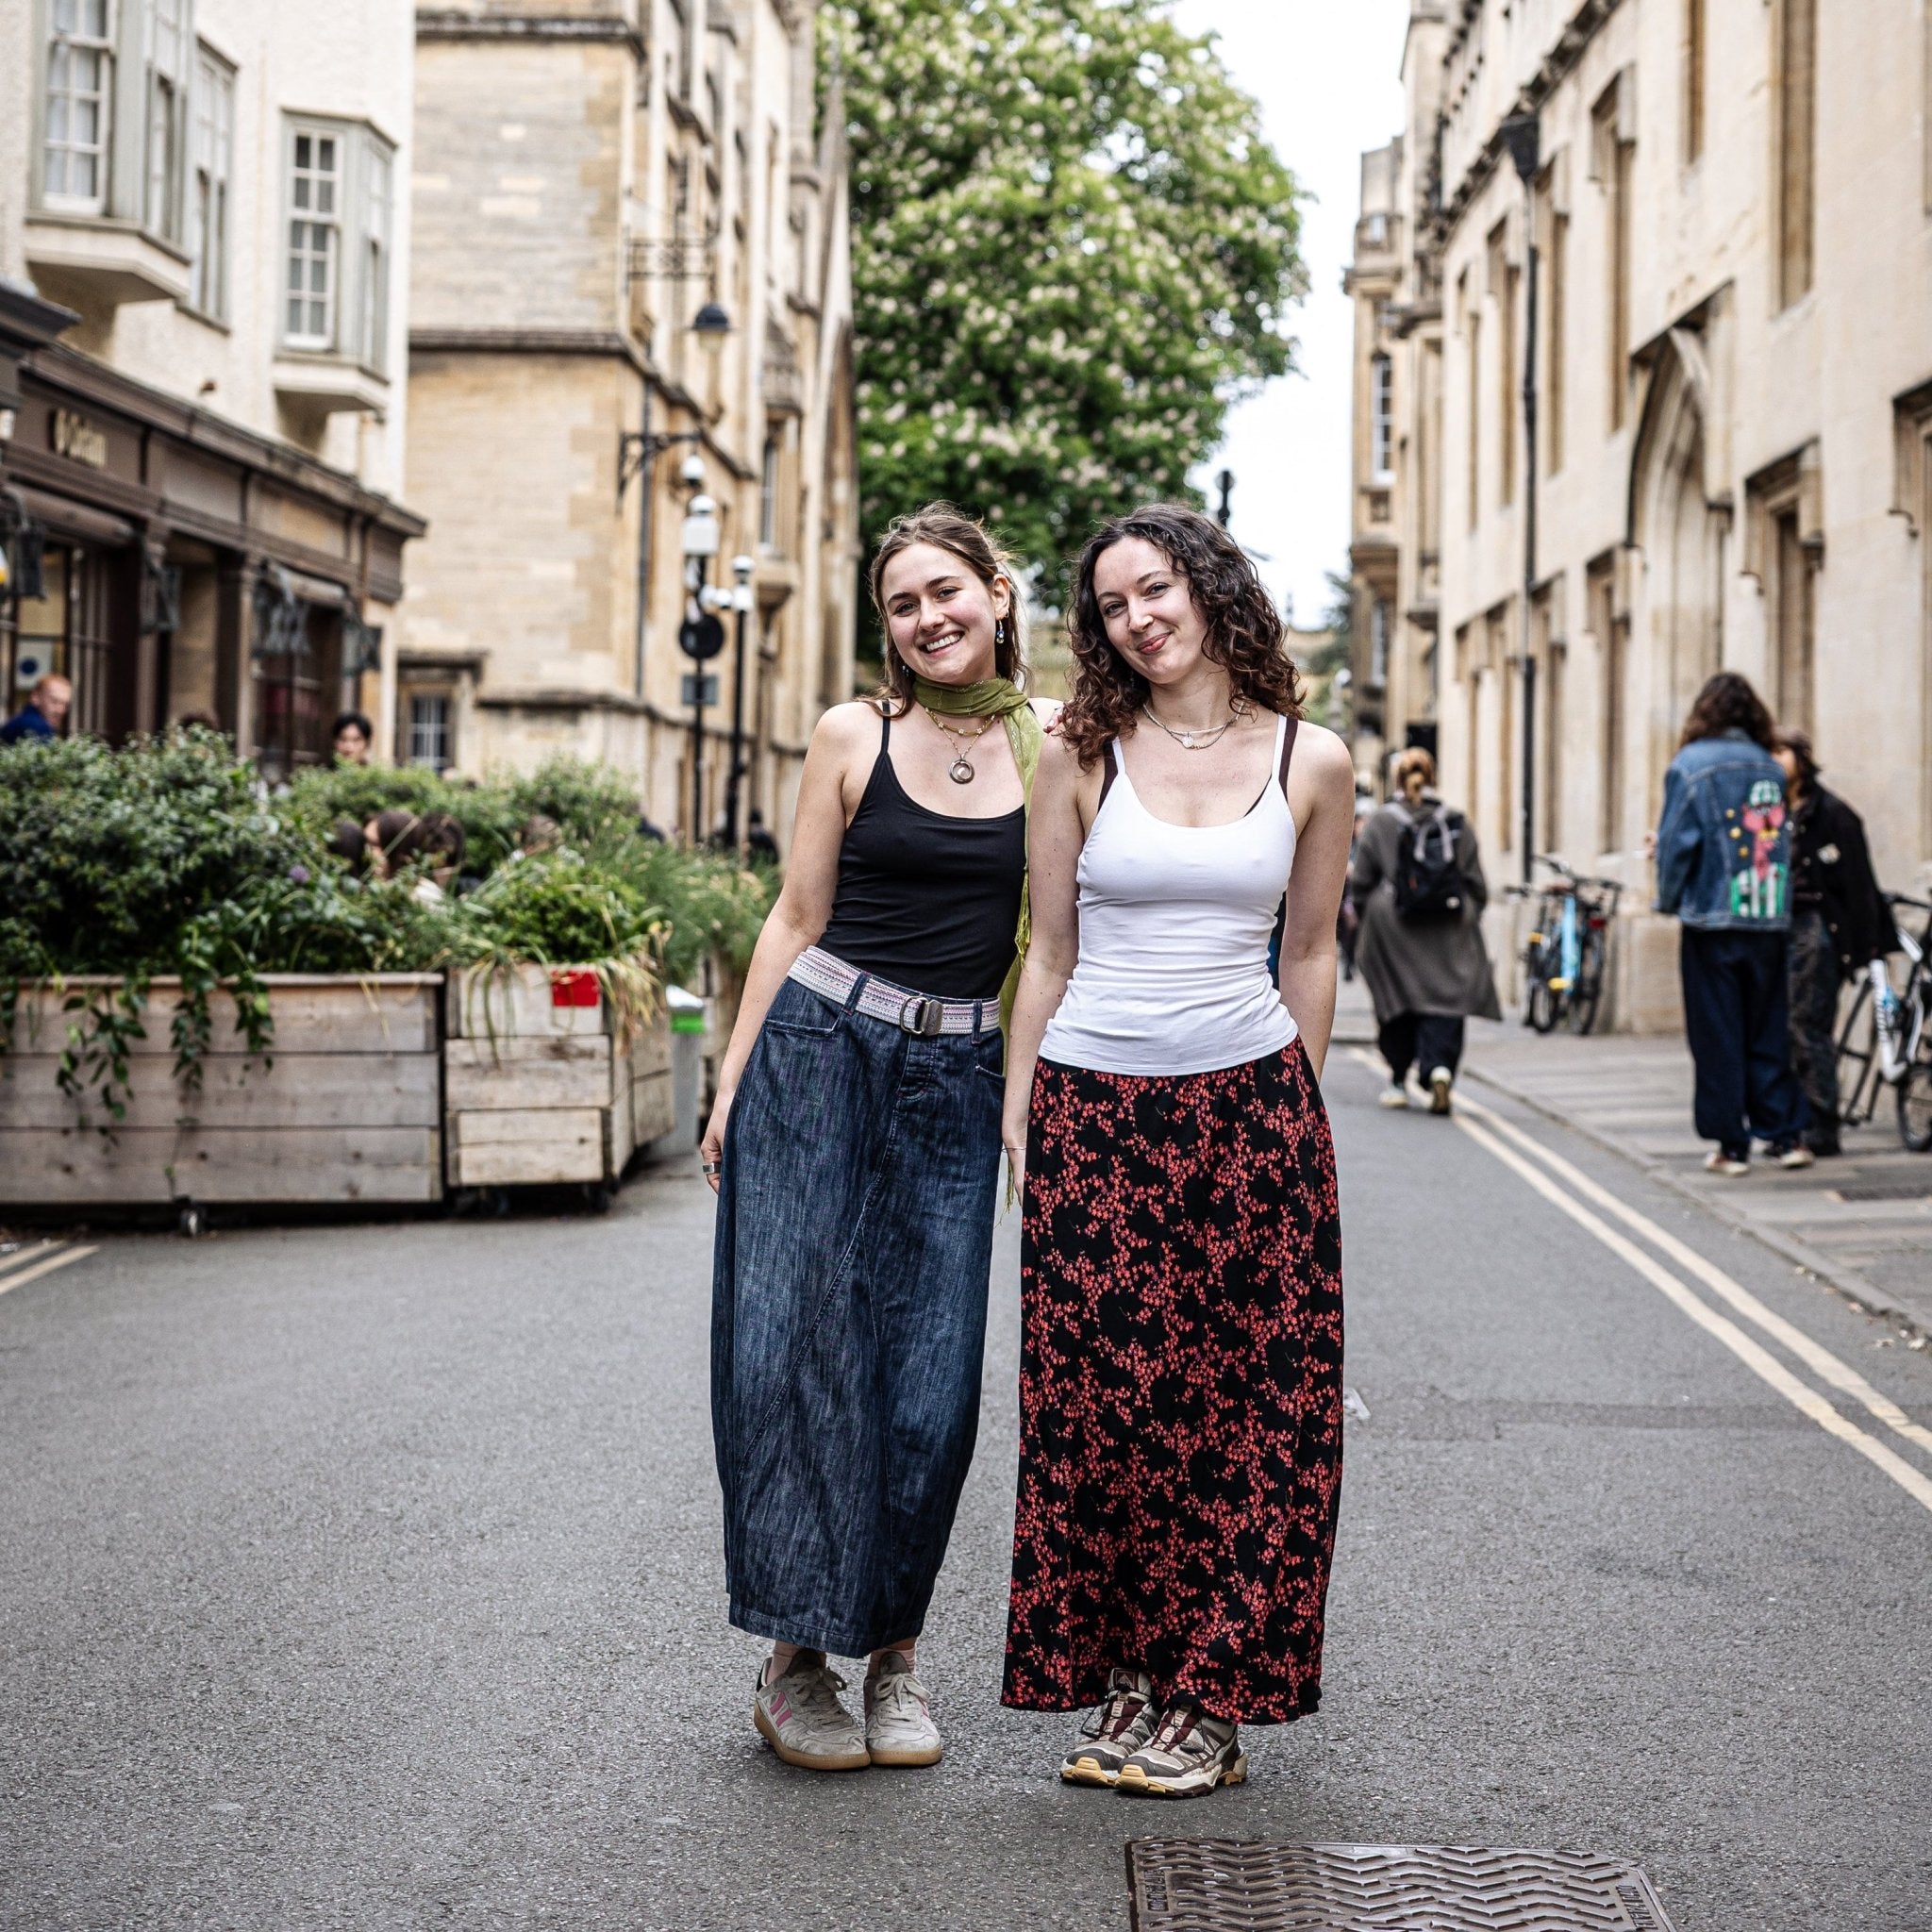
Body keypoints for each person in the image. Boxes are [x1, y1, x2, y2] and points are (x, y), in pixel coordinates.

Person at [1000, 504, 1355, 1799]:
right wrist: (1020, 1113)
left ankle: (1213, 1695)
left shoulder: (1313, 759)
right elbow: (1048, 950)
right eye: (1112, 605)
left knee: (1254, 1413)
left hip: (1250, 1112)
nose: (1138, 619)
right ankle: (1130, 1672)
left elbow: (1308, 951)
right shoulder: (1078, 752)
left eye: (1155, 589)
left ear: (1208, 588)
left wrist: (1293, 1113)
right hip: (1094, 1108)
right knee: (1102, 1408)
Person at [703, 504, 1045, 1776]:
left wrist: (1026, 1098)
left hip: (959, 1072)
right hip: (818, 1051)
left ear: (996, 592)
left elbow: (1065, 940)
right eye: (902, 604)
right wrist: (731, 1079)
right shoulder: (855, 733)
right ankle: (795, 1658)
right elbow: (795, 916)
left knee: (931, 1379)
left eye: (946, 590)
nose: (927, 618)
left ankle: (893, 1651)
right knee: (791, 1355)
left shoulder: (1061, 746)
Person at [1654, 672, 1809, 1174]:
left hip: (1712, 919)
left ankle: (1731, 1145)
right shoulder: (1768, 766)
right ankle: (1785, 1137)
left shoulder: (1690, 765)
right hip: (1766, 914)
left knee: (1717, 1033)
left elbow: (1677, 844)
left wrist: (1667, 899)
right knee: (1768, 1028)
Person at [1348, 747, 1500, 1115]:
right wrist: (1467, 915)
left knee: (1397, 1001)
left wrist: (1369, 917)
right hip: (1448, 928)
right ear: (1433, 777)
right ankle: (1440, 1069)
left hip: (1393, 930)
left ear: (1397, 780)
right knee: (1446, 1000)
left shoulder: (1380, 822)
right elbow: (1477, 885)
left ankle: (1398, 1080)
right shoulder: (1456, 822)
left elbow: (1362, 881)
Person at [1774, 728, 1899, 1157]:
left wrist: (1866, 946)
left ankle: (1821, 1124)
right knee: (1780, 1028)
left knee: (1806, 1025)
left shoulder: (1832, 814)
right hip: (1776, 927)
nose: (1773, 760)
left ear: (1801, 758)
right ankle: (1790, 1123)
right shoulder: (1767, 813)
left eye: (1781, 751)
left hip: (1814, 929)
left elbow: (1860, 885)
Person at [1, 674, 71, 745]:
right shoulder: (37, 726)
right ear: (35, 697)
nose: (60, 710)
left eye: (65, 704)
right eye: (54, 701)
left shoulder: (23, 721)